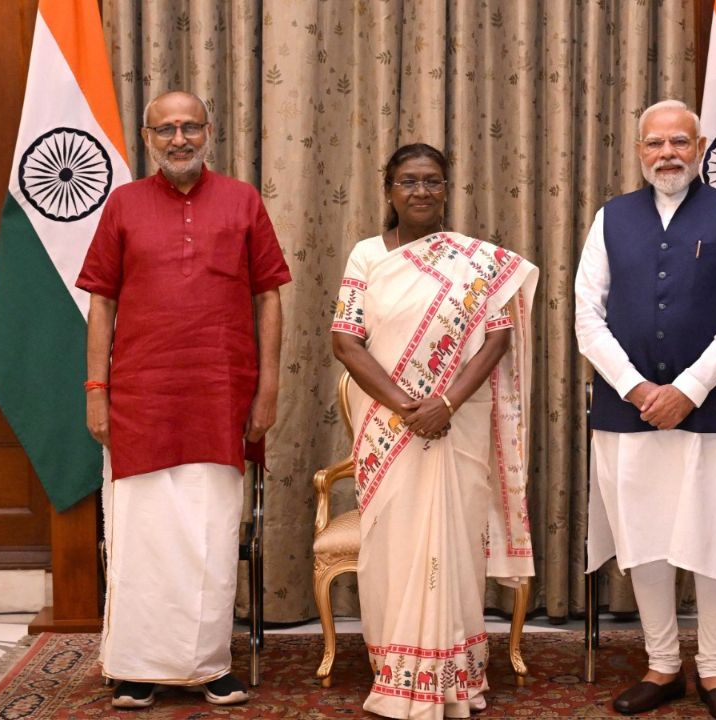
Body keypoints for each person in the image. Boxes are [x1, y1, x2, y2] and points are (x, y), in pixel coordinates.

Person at [75, 90, 291, 710]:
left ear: (209, 131)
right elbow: (101, 302)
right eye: (166, 129)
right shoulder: (123, 205)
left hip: (222, 395)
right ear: (147, 138)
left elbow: (269, 296)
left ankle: (207, 666)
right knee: (141, 535)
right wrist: (96, 390)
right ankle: (137, 669)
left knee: (209, 535)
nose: (179, 139)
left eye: (190, 126)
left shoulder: (242, 200)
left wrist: (268, 388)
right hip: (140, 397)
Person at [574, 99, 716, 720]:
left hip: (715, 410)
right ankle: (662, 665)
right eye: (655, 143)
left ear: (700, 147)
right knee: (644, 535)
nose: (667, 154)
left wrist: (690, 388)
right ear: (639, 151)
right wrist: (637, 389)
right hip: (627, 412)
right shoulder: (610, 218)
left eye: (679, 142)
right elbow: (586, 317)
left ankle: (713, 670)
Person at [331, 143, 538, 719]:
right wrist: (409, 408)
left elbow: (497, 338)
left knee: (456, 545)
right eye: (408, 181)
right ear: (389, 190)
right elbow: (345, 341)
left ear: (447, 189)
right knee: (393, 547)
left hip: (458, 424)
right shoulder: (367, 255)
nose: (420, 191)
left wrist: (445, 403)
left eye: (432, 181)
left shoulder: (477, 262)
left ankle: (454, 675)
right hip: (389, 427)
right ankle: (397, 672)